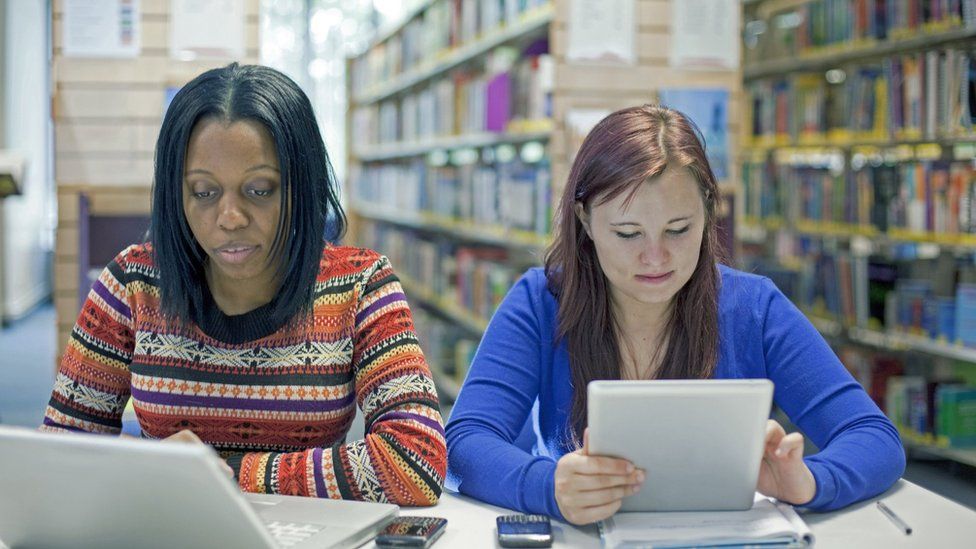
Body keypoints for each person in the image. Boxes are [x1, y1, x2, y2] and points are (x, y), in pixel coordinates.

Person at [444, 104, 904, 524]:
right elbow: (465, 442)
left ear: (707, 213)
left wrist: (811, 481)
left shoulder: (754, 308)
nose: (656, 257)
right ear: (584, 221)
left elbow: (873, 437)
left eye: (679, 229)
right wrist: (547, 488)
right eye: (627, 234)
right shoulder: (538, 301)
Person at [41, 63, 446, 506]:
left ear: (301, 186)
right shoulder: (132, 284)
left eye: (259, 190)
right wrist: (150, 470)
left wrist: (222, 473)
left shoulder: (361, 285)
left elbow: (416, 461)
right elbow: (59, 453)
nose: (230, 219)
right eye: (203, 192)